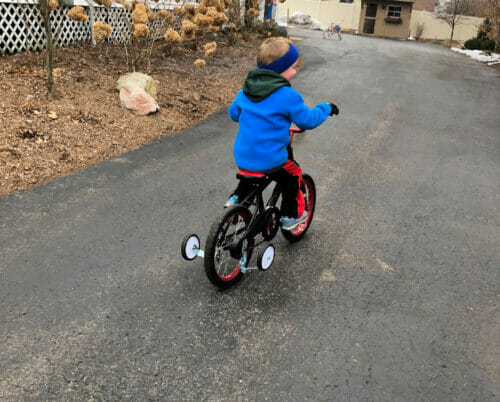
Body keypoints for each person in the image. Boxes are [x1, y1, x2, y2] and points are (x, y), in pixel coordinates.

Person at [225, 37, 339, 230]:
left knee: (253, 171)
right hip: (270, 159)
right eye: (293, 67)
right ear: (281, 70)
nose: (295, 71)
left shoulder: (245, 90)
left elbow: (234, 114)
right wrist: (325, 108)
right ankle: (290, 216)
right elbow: (307, 120)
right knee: (292, 175)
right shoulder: (288, 96)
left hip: (242, 155)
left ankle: (236, 199)